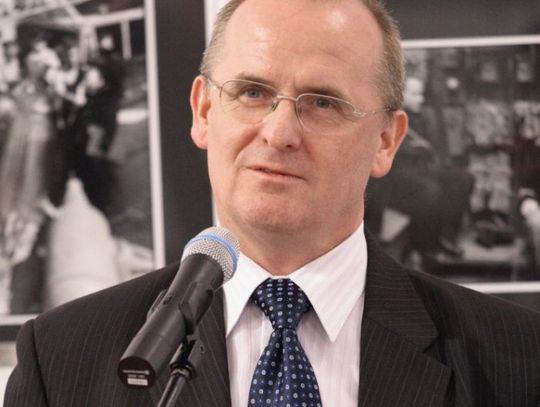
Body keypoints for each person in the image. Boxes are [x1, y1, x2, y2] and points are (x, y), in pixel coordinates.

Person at [5, 1, 540, 406]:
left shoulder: (519, 360)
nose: (279, 133)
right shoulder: (62, 360)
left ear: (386, 140)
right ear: (204, 111)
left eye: (323, 102)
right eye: (252, 93)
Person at [366, 75, 474, 262]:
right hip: (392, 176)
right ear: (401, 95)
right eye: (415, 94)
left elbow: (428, 148)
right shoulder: (385, 116)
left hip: (420, 170)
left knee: (463, 179)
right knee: (430, 191)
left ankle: (446, 237)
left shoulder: (419, 117)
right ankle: (427, 246)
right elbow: (380, 150)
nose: (421, 99)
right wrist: (413, 149)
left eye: (421, 94)